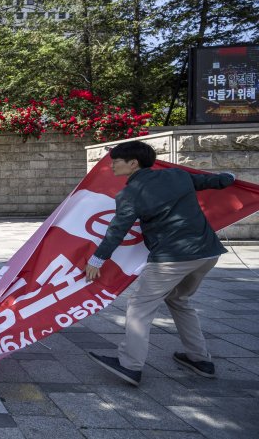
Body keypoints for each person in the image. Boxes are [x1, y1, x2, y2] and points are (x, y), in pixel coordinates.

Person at [85, 140, 235, 385]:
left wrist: (97, 259)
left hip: (171, 258)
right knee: (179, 300)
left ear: (133, 163)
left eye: (116, 161)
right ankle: (200, 359)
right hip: (207, 253)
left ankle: (129, 365)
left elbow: (117, 230)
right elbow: (213, 181)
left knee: (139, 308)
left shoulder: (130, 193)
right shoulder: (177, 175)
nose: (112, 166)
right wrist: (229, 176)